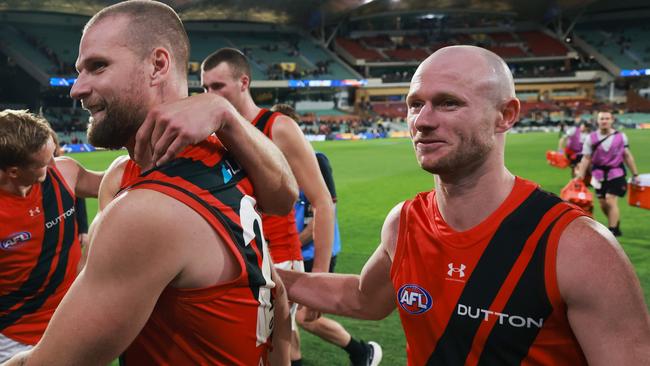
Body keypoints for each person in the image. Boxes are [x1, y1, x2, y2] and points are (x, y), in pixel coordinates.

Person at [278, 45, 650, 365]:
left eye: (448, 103)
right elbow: (364, 297)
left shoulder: (579, 247)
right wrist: (267, 271)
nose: (422, 121)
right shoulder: (405, 222)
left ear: (506, 115)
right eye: (414, 104)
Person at [3, 1, 298, 365]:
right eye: (79, 71)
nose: (76, 89)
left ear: (158, 65)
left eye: (98, 67)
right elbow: (283, 201)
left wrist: (225, 114)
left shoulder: (148, 211)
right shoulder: (211, 155)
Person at [196, 48, 335, 366]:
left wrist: (321, 278)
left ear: (244, 82)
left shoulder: (278, 126)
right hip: (237, 258)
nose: (210, 95)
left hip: (280, 258)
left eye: (218, 86)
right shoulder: (211, 132)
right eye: (205, 88)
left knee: (274, 350)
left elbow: (323, 202)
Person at [272, 103, 382, 366]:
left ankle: (360, 351)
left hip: (313, 249)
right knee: (286, 317)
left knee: (302, 318)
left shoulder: (315, 161)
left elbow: (320, 216)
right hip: (292, 250)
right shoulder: (273, 162)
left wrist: (282, 247)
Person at [0, 110, 103, 362]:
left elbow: (115, 183)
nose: (55, 164)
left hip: (69, 325)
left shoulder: (64, 173)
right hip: (13, 340)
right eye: (44, 163)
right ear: (14, 171)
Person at [576, 111, 639, 236]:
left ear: (612, 120)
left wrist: (635, 173)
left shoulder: (621, 136)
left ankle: (612, 230)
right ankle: (615, 221)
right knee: (603, 204)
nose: (604, 121)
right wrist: (580, 175)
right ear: (597, 121)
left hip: (616, 172)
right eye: (601, 119)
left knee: (610, 200)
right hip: (598, 175)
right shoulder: (591, 138)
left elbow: (627, 155)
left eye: (607, 118)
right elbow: (586, 158)